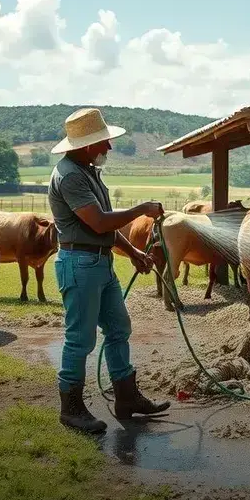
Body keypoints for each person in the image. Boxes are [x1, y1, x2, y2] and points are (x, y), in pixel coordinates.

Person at [47, 107, 171, 434]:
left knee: (119, 328)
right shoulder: (71, 176)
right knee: (80, 339)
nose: (109, 148)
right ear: (87, 145)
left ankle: (127, 398)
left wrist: (132, 252)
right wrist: (141, 209)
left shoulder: (86, 170)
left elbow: (103, 226)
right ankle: (71, 409)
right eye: (104, 142)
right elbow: (99, 222)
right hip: (80, 264)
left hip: (99, 262)